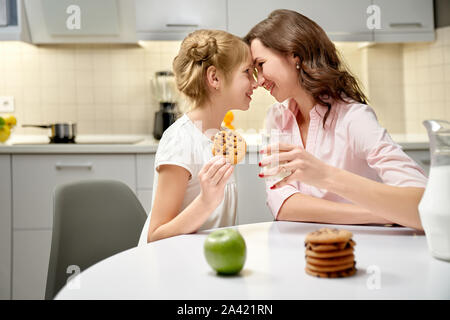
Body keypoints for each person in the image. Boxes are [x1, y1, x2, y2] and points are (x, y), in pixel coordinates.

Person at [244, 9, 427, 230]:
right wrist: (380, 213)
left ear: (295, 55)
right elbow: (282, 205)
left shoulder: (353, 118)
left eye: (261, 65)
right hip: (300, 250)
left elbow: (422, 207)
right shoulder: (277, 118)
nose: (259, 81)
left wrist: (326, 176)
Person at [139, 29, 257, 244]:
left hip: (207, 259)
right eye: (247, 72)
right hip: (169, 263)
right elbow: (156, 236)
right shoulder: (181, 140)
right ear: (215, 78)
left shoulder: (224, 139)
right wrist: (205, 202)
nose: (255, 82)